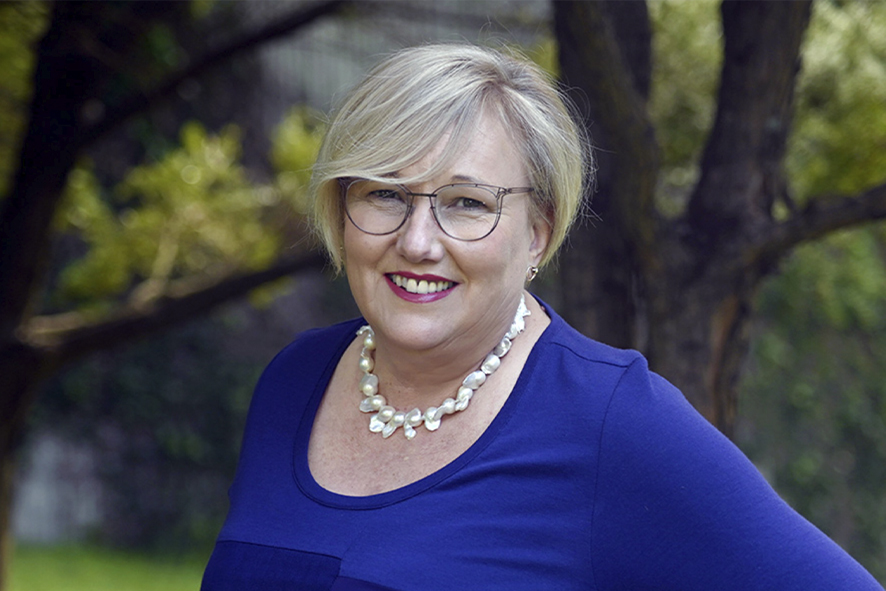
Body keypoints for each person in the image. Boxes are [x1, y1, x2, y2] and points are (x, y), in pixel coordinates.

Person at [201, 44, 883, 590]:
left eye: (468, 202)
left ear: (537, 234)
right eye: (385, 194)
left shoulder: (612, 421)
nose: (417, 241)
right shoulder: (297, 378)